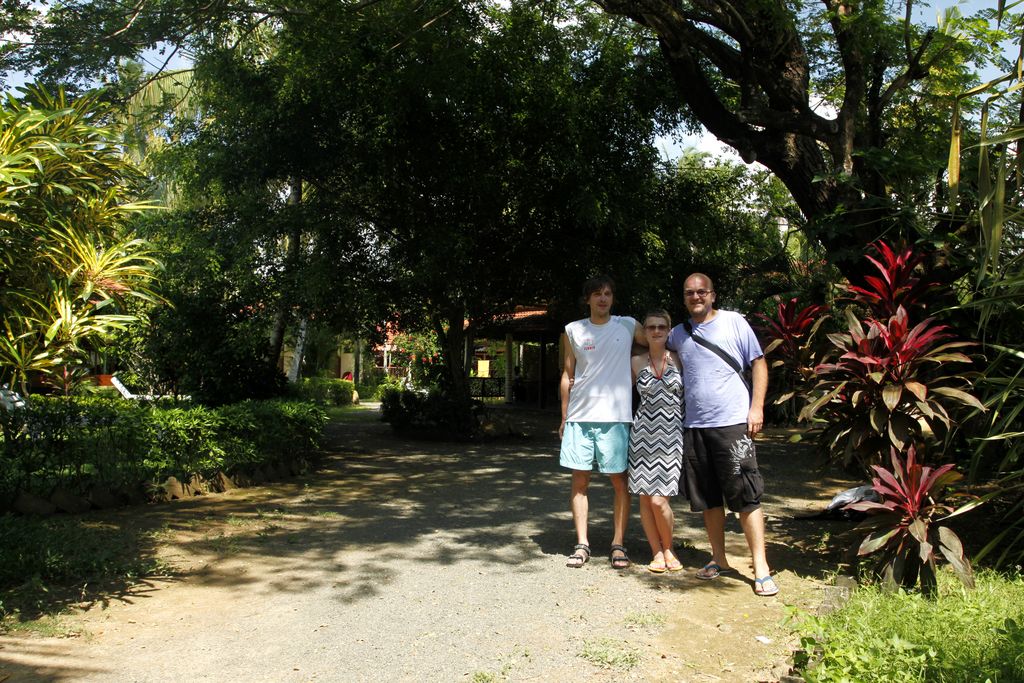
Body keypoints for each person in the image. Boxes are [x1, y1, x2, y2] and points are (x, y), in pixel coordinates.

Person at [667, 273, 778, 596]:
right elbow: (652, 342)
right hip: (695, 427)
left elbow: (758, 363)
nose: (696, 297)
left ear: (712, 295)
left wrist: (756, 408)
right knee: (709, 499)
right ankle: (719, 558)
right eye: (689, 293)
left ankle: (761, 567)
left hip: (732, 425)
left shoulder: (734, 323)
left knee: (746, 496)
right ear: (684, 297)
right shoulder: (678, 334)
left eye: (702, 292)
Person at [560, 275, 647, 569]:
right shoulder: (573, 330)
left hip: (616, 417)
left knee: (619, 482)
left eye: (608, 293)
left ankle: (618, 544)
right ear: (587, 299)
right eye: (597, 294)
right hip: (579, 417)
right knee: (579, 481)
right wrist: (564, 416)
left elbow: (659, 340)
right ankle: (582, 543)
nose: (603, 299)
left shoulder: (627, 325)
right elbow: (567, 375)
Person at [627, 309, 685, 573]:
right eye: (651, 327)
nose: (656, 331)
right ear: (645, 331)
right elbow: (611, 387)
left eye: (662, 326)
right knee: (645, 499)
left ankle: (669, 547)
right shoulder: (635, 362)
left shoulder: (679, 359)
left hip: (672, 436)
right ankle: (657, 552)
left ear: (669, 330)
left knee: (659, 501)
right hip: (642, 437)